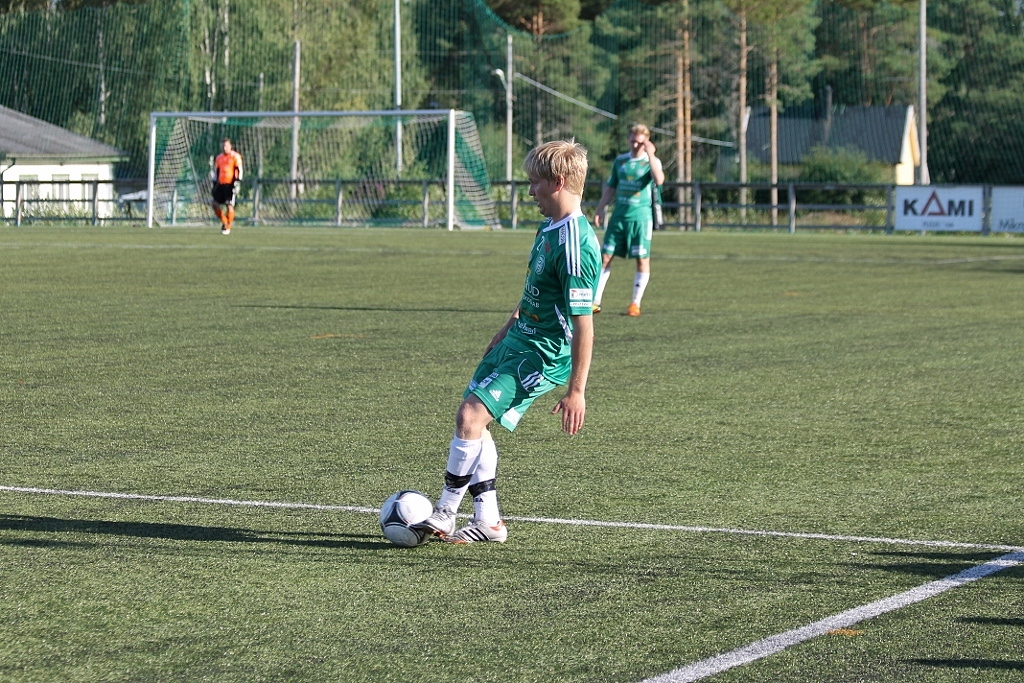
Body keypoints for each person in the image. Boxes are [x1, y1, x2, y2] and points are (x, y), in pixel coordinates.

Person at [413, 140, 601, 544]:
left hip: (542, 354)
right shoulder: (549, 226)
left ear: (558, 182)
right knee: (474, 423)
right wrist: (508, 325)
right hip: (518, 339)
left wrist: (577, 391)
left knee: (470, 416)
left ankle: (445, 512)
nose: (530, 191)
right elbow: (538, 287)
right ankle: (489, 521)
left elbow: (584, 324)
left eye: (535, 183)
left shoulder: (576, 245)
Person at [591, 124, 665, 316]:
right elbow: (611, 187)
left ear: (646, 141)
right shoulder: (621, 161)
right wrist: (600, 208)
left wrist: (651, 154)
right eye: (632, 141)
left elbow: (659, 180)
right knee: (605, 257)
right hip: (619, 216)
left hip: (641, 218)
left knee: (642, 259)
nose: (635, 145)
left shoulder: (651, 161)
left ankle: (635, 303)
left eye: (639, 142)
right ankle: (595, 301)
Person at [211, 138, 243, 235]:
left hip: (230, 184)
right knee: (214, 204)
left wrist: (237, 182)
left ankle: (228, 226)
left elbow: (239, 169)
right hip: (221, 184)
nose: (224, 148)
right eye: (223, 146)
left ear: (230, 146)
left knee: (229, 205)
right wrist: (214, 183)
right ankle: (224, 221)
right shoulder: (219, 158)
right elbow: (216, 171)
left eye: (226, 146)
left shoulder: (235, 156)